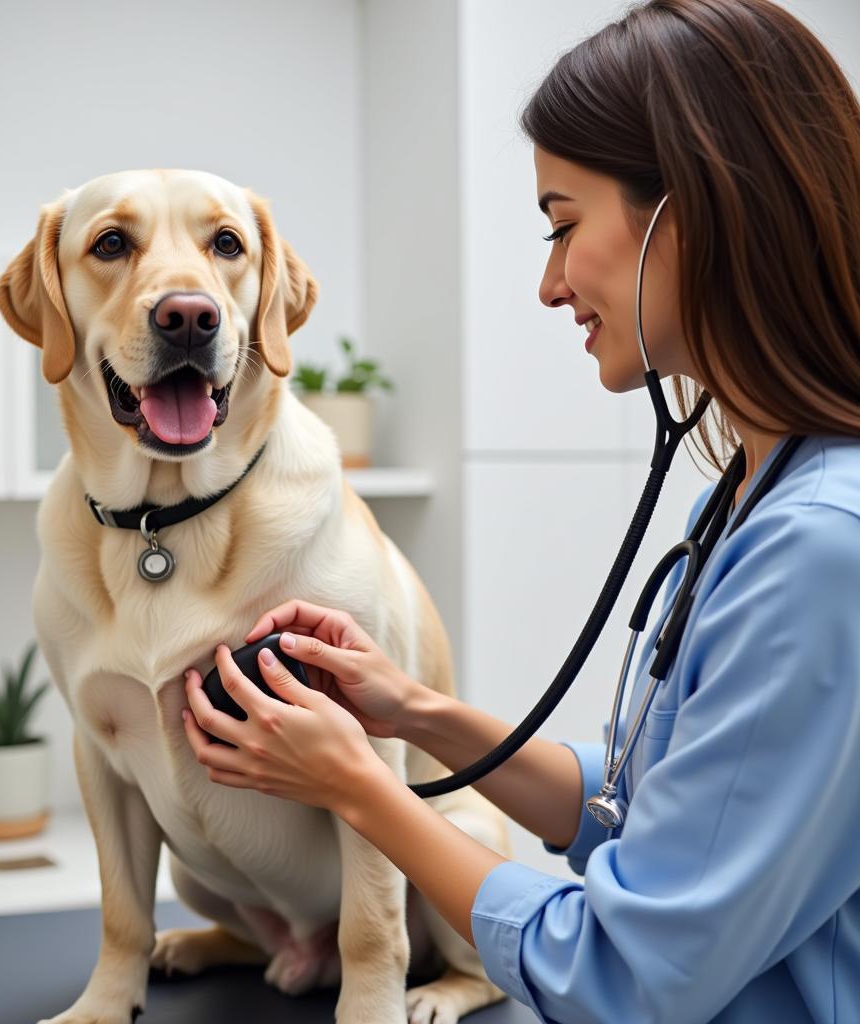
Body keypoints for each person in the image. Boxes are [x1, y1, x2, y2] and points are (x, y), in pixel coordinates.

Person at [181, 0, 860, 1019]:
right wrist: (413, 711)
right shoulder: (755, 498)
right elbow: (645, 805)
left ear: (690, 212)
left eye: (564, 226)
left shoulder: (819, 550)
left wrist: (361, 788)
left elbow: (622, 974)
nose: (549, 285)